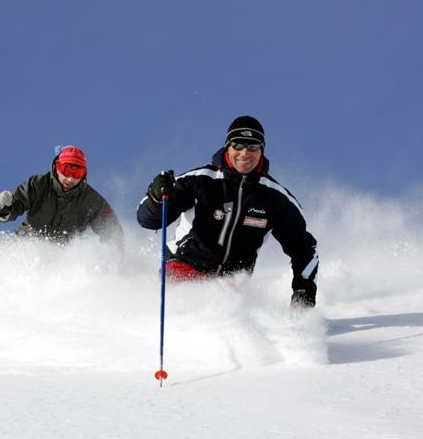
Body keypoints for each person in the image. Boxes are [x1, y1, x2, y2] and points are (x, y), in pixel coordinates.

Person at [136, 116, 319, 307]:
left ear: (261, 151)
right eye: (238, 145)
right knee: (184, 309)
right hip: (184, 267)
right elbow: (149, 221)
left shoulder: (276, 198)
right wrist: (156, 200)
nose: (245, 152)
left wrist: (303, 291)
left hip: (230, 286)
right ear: (228, 147)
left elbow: (304, 249)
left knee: (231, 321)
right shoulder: (200, 181)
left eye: (253, 146)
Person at [0, 145, 123, 244]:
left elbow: (113, 232)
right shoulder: (38, 184)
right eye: (66, 170)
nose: (70, 179)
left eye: (77, 173)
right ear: (56, 167)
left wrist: (112, 256)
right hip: (27, 244)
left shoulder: (91, 200)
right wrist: (5, 206)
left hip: (62, 256)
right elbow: (11, 209)